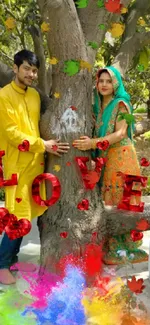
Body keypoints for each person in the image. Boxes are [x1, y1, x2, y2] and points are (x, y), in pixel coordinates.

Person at [0, 49, 70, 284]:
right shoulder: (3, 96)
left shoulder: (35, 96)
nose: (31, 74)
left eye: (34, 70)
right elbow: (12, 134)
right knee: (17, 216)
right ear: (15, 68)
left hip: (36, 166)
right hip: (17, 166)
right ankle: (1, 265)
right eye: (27, 69)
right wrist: (44, 145)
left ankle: (11, 260)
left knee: (26, 216)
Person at [73, 66, 148, 265]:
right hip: (107, 159)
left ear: (115, 84)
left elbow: (121, 134)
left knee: (122, 200)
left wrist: (92, 143)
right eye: (101, 81)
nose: (104, 85)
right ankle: (114, 246)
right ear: (96, 84)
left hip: (122, 157)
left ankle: (127, 248)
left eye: (108, 81)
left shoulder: (121, 104)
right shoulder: (97, 107)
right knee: (110, 202)